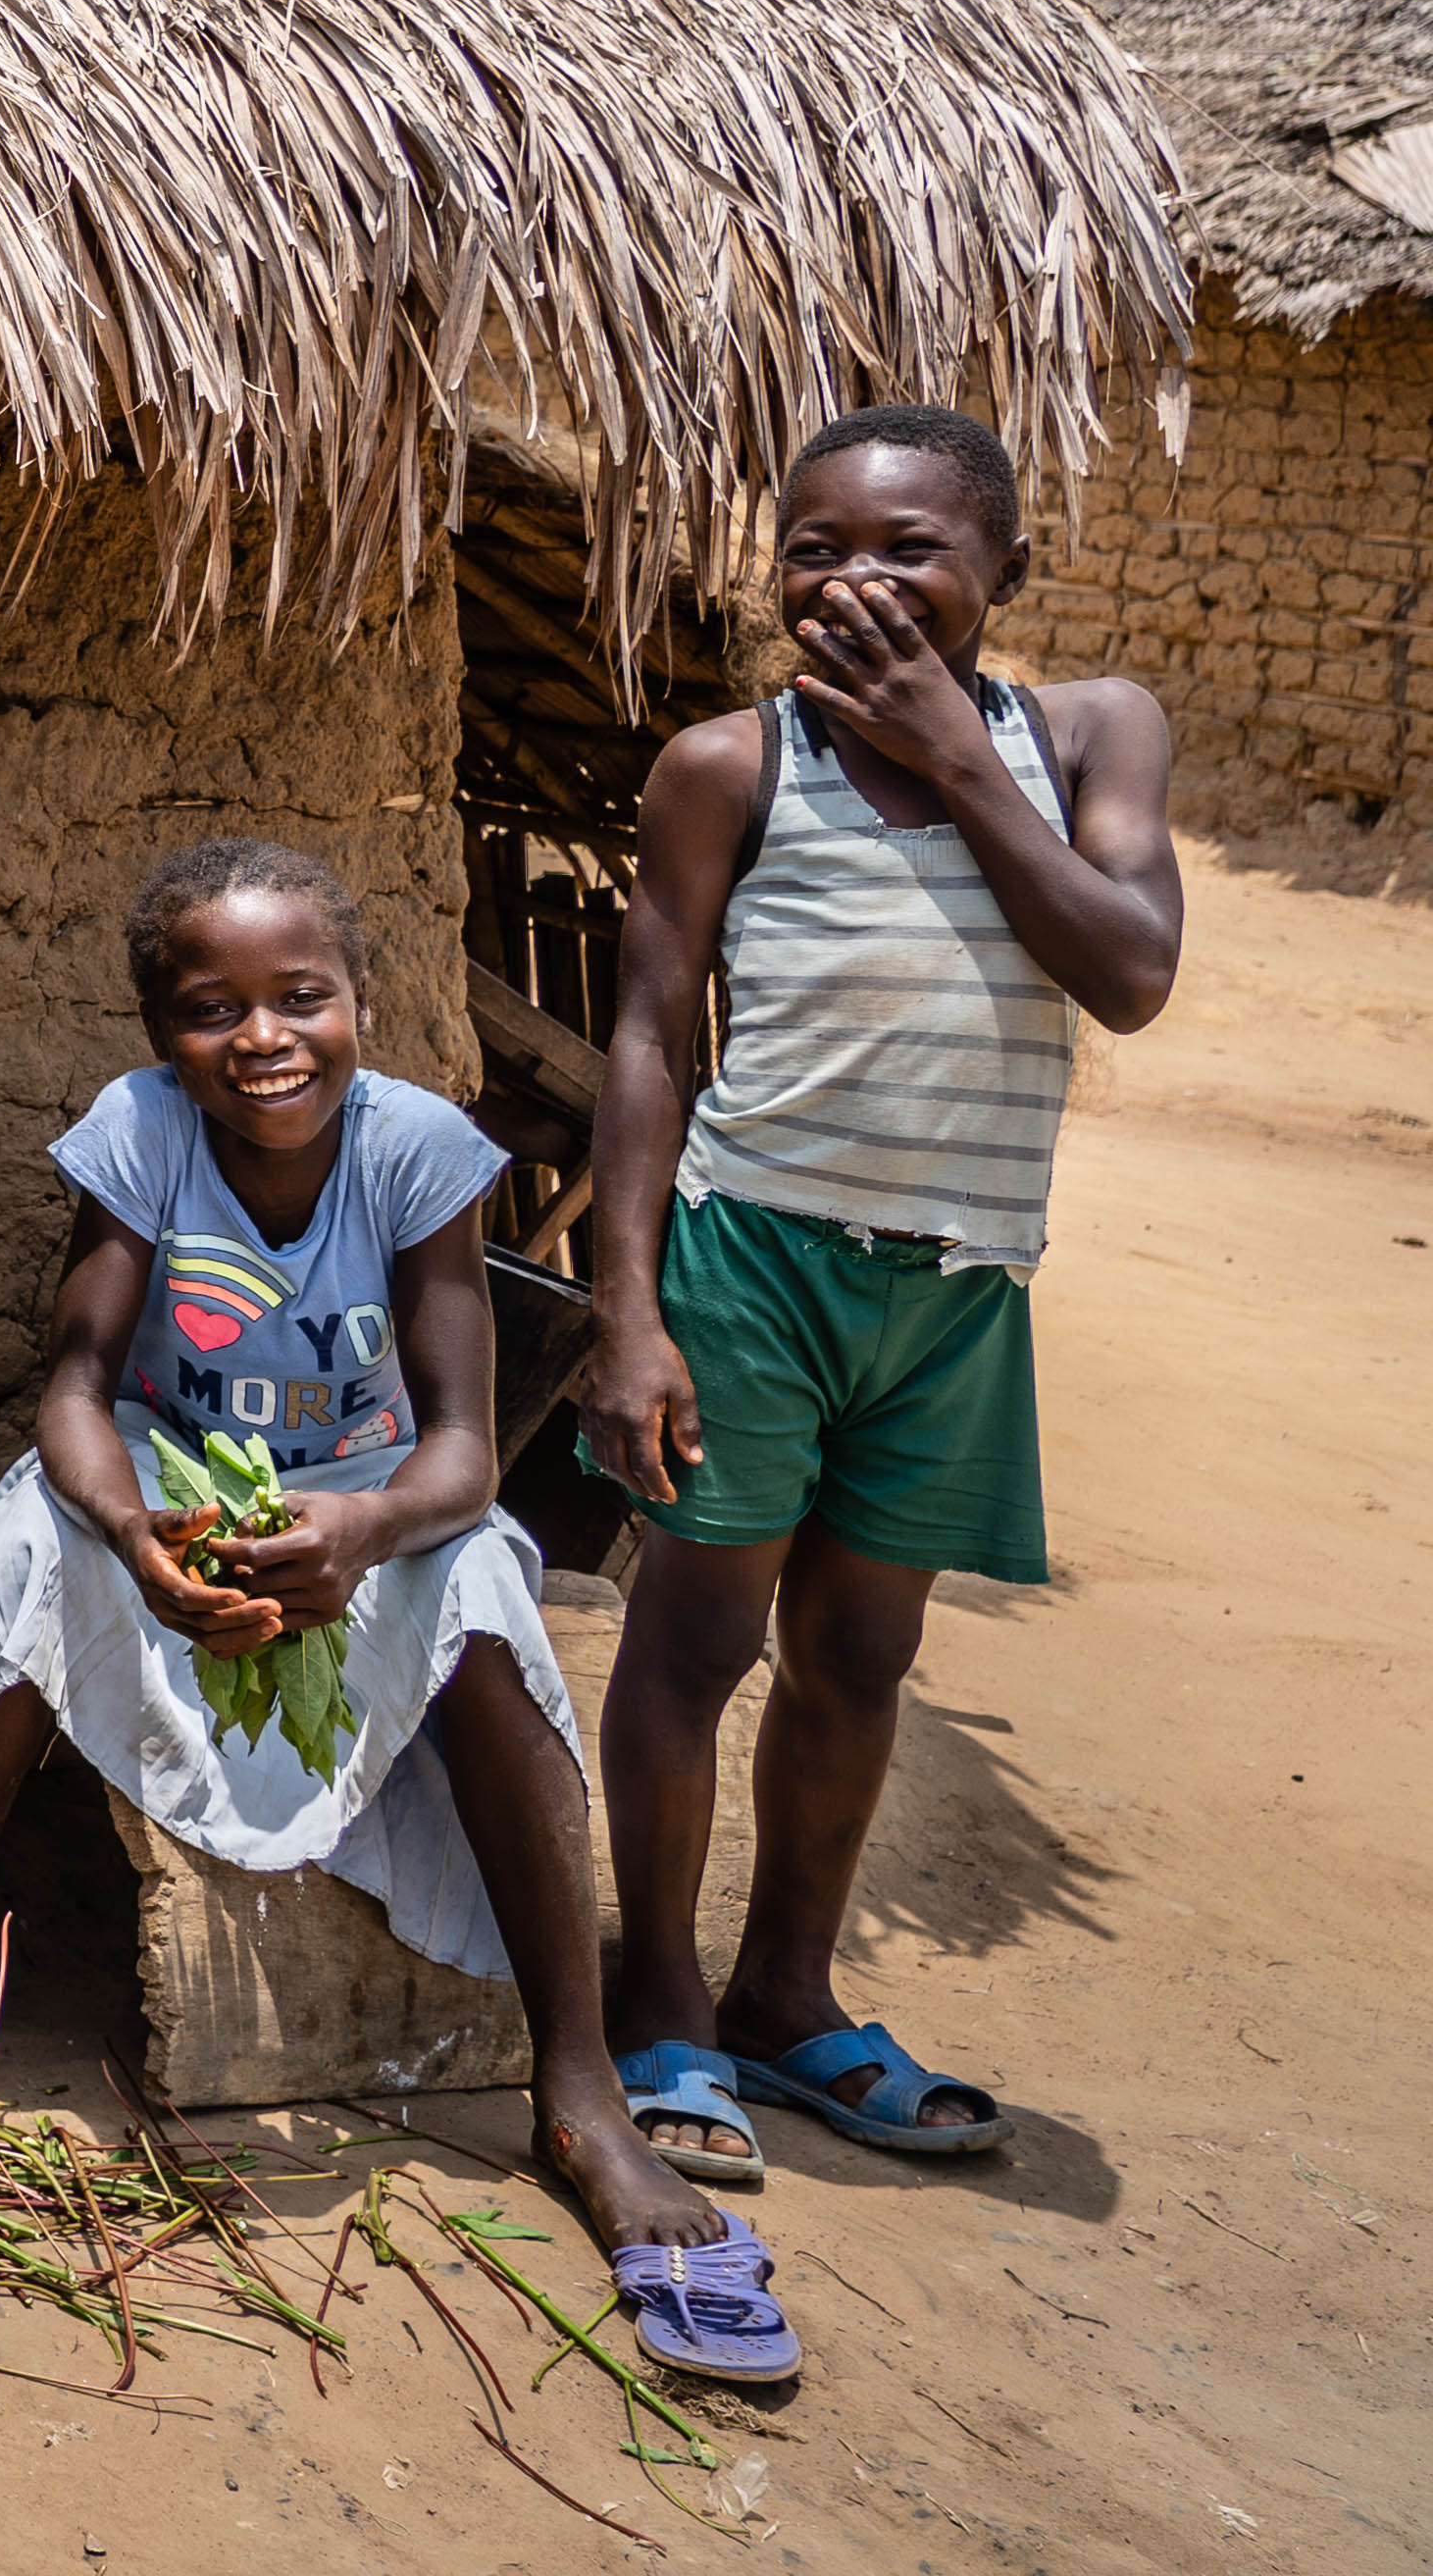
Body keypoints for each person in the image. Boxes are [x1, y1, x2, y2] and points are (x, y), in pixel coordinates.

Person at [0, 841, 788, 2388]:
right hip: (171, 1489)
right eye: (210, 1009)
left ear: (360, 998)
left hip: (367, 1505)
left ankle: (582, 2091)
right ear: (159, 1030)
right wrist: (131, 1529)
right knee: (24, 1547)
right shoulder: (143, 1135)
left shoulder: (418, 1150)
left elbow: (462, 1450)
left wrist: (360, 1531)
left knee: (486, 1592)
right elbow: (79, 1393)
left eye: (302, 997)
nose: (263, 1039)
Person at [580, 403, 1178, 2180]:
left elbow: (1131, 968)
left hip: (957, 1292)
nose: (854, 580)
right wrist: (630, 1307)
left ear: (1010, 565)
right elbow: (644, 1033)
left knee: (863, 1652)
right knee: (696, 1641)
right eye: (816, 546)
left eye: (910, 547)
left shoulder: (1086, 736)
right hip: (755, 1256)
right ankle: (667, 1999)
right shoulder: (730, 764)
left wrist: (962, 757)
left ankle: (790, 1991)